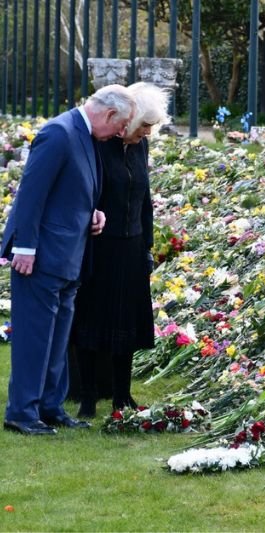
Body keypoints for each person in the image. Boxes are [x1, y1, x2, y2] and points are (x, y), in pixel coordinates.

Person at [2, 85, 135, 436]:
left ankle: (49, 406)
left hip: (69, 255)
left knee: (58, 338)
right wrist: (25, 248)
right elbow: (31, 193)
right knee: (35, 337)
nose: (121, 133)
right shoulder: (58, 133)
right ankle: (22, 412)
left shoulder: (86, 135)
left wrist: (93, 213)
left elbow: (70, 189)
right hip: (42, 255)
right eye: (120, 125)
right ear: (108, 114)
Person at [71, 82, 170, 417]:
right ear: (127, 120)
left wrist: (148, 247)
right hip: (100, 246)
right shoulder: (100, 145)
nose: (148, 133)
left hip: (132, 246)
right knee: (91, 320)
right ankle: (87, 397)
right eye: (144, 125)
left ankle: (121, 395)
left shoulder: (140, 148)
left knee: (127, 324)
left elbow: (145, 200)